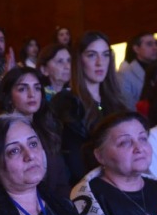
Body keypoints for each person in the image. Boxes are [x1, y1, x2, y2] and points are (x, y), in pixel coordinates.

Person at [49, 30, 126, 183]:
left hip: (120, 180)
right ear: (79, 60)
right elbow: (72, 160)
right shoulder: (67, 103)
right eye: (92, 55)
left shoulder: (116, 102)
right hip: (85, 185)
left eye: (105, 55)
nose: (100, 62)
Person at [0, 66, 70, 198]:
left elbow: (61, 178)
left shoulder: (49, 128)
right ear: (9, 97)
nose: (32, 94)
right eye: (22, 89)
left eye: (37, 88)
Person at [112, 32, 157, 107]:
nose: (155, 48)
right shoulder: (125, 73)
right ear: (136, 49)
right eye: (149, 44)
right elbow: (127, 104)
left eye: (156, 44)